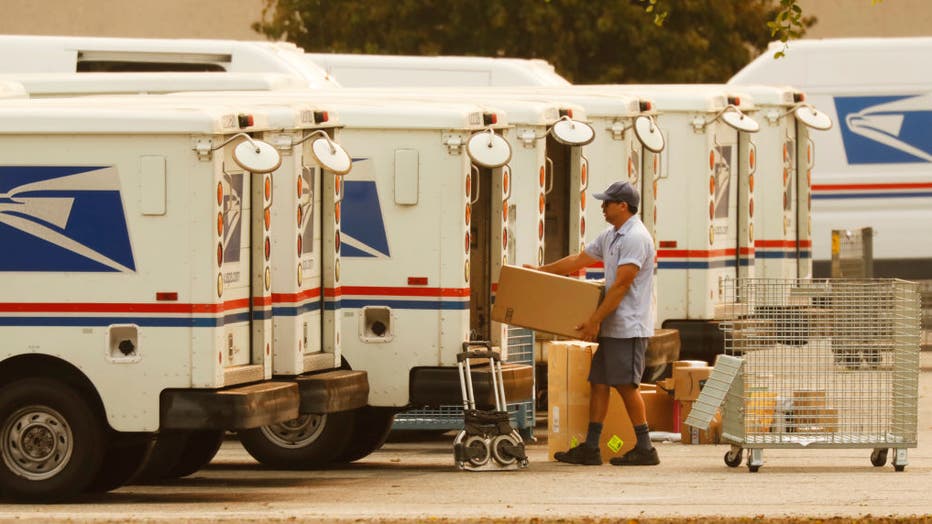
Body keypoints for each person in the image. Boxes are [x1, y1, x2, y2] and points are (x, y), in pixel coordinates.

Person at [532, 180, 658, 466]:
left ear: (623, 206)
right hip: (614, 325)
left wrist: (594, 321)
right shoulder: (612, 235)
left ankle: (646, 447)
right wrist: (540, 272)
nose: (602, 207)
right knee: (599, 383)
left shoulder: (636, 237)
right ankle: (591, 447)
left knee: (627, 385)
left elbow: (621, 286)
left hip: (629, 325)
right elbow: (579, 259)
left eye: (607, 202)